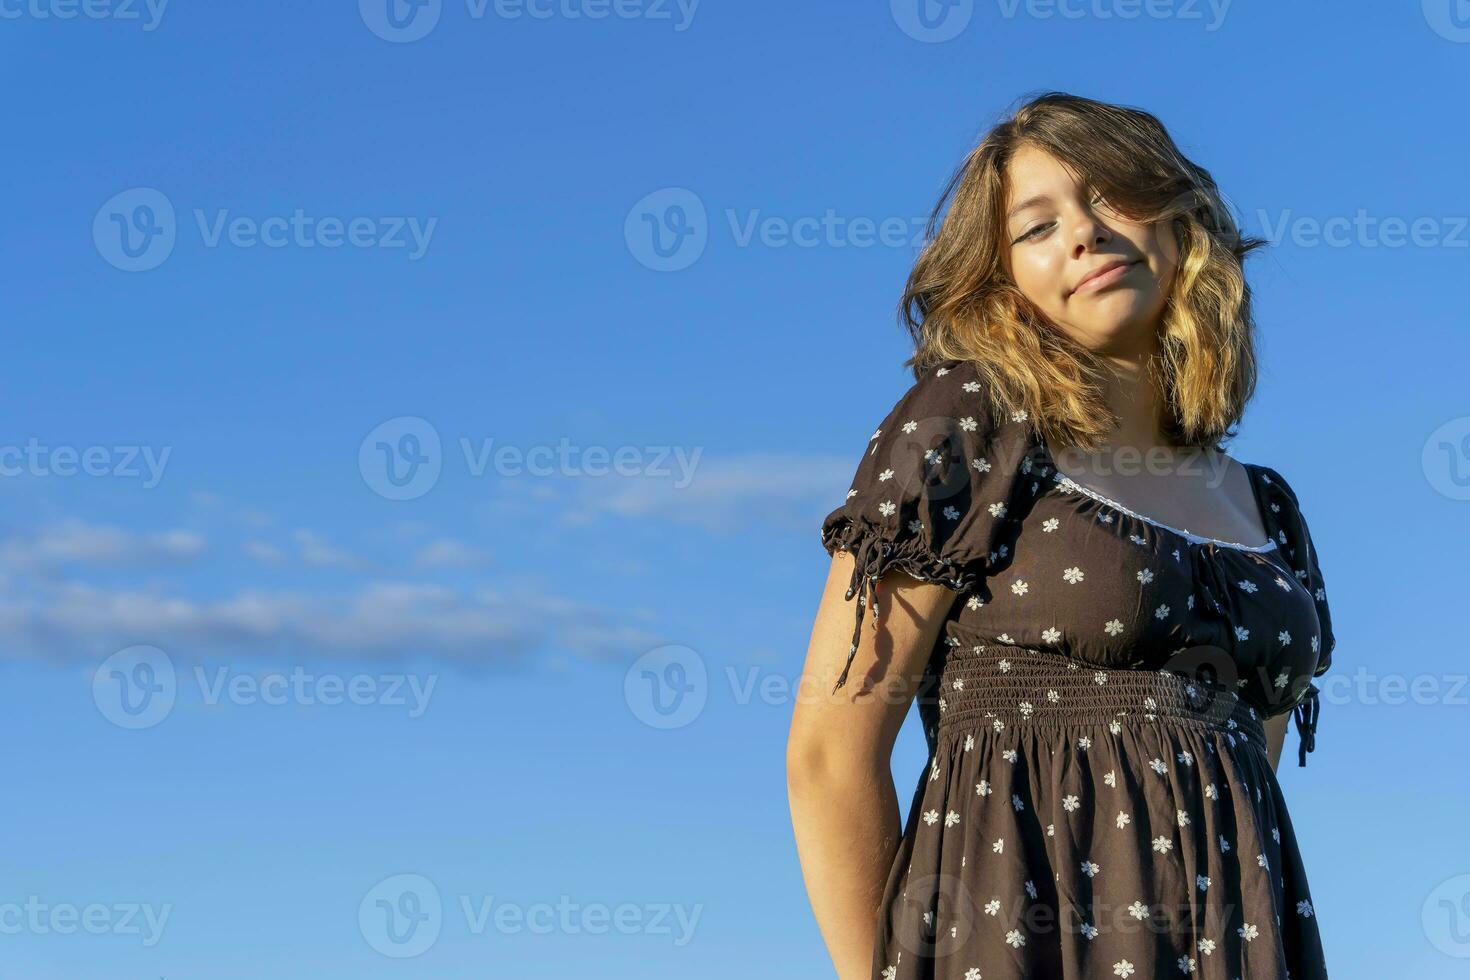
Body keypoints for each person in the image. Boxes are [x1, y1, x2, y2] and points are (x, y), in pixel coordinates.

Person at [786, 92, 1335, 980]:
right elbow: (828, 755)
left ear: (1178, 220)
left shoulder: (1270, 509)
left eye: (1110, 197)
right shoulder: (968, 423)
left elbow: (1246, 780)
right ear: (1003, 281)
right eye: (1038, 228)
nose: (1084, 235)